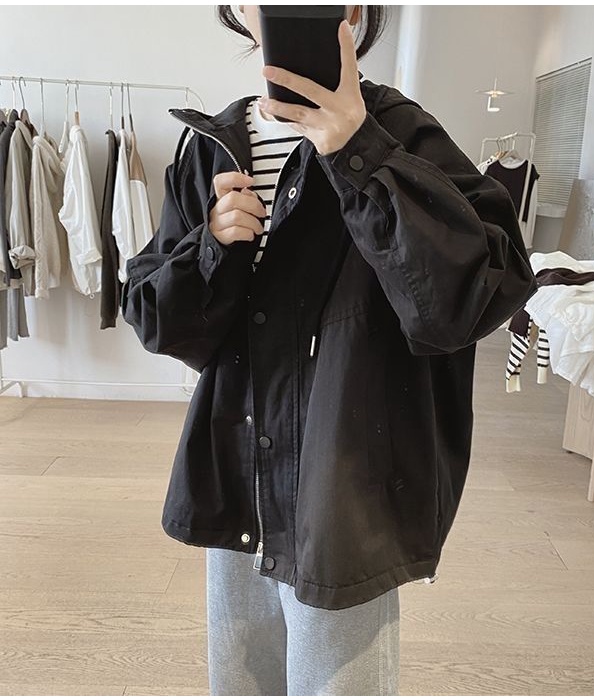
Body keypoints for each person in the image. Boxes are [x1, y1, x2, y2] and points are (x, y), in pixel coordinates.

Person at [121, 4, 536, 696]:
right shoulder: (211, 148)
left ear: (354, 9)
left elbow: (474, 295)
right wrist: (210, 247)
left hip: (348, 487)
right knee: (242, 684)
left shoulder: (402, 133)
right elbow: (159, 321)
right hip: (240, 481)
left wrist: (359, 151)